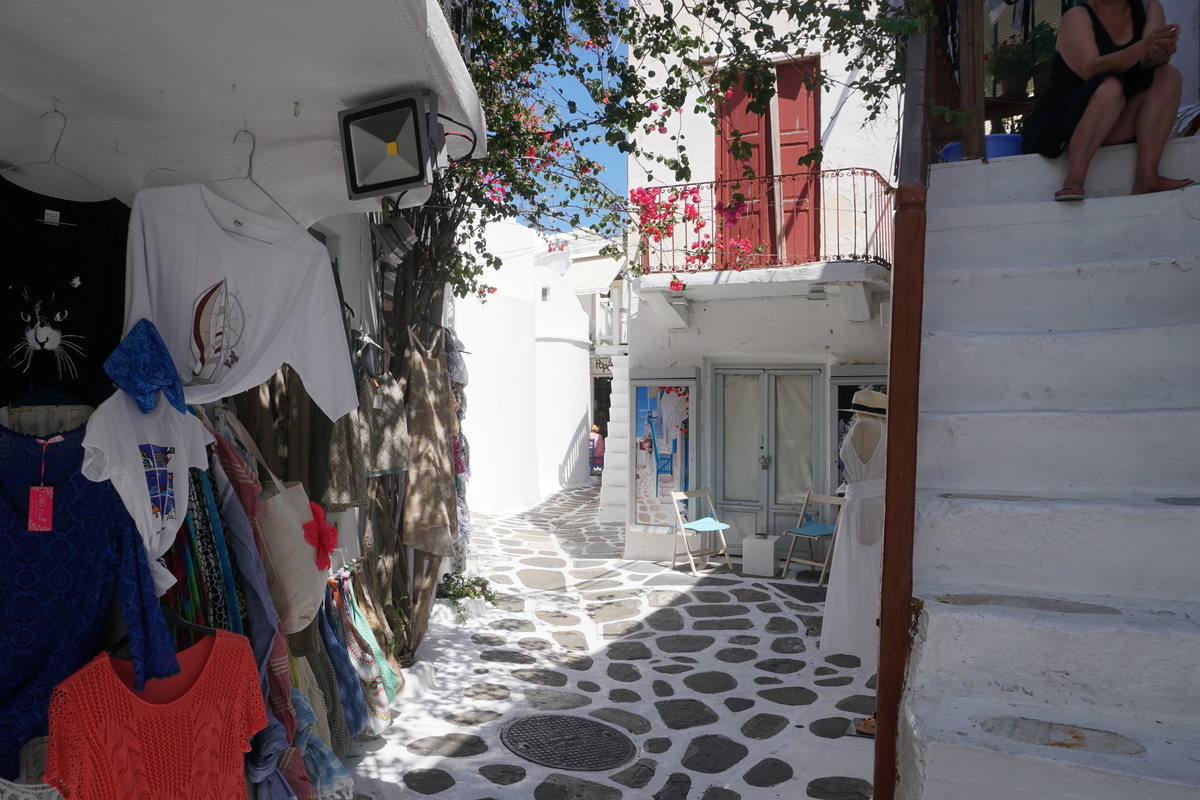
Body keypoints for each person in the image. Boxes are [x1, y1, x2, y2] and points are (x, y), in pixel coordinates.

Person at [1021, 0, 1193, 200]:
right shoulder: (1077, 15)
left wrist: (1160, 53)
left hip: (1113, 116)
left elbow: (1148, 63)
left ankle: (1147, 177)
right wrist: (1142, 48)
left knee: (1168, 75)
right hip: (1059, 125)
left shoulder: (1148, 7)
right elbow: (1090, 70)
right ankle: (1074, 180)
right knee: (1109, 87)